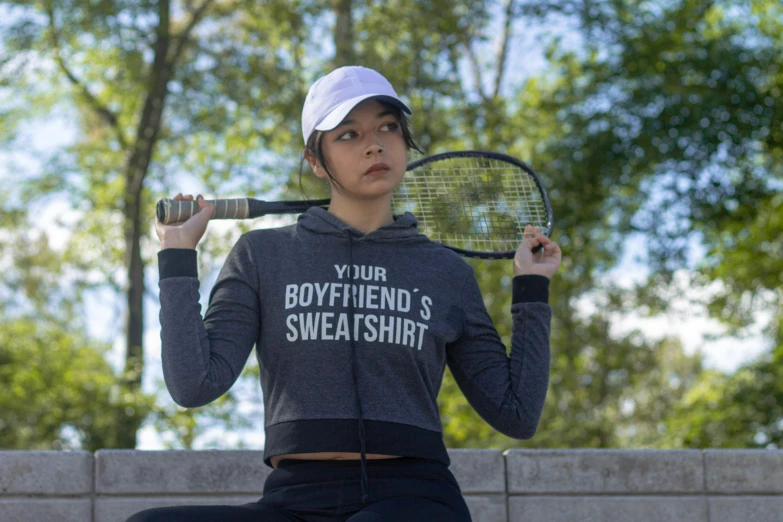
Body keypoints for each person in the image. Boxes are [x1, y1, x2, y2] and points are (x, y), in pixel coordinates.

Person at [127, 65, 562, 522]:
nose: (374, 143)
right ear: (316, 161)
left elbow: (516, 414)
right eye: (348, 135)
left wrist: (532, 289)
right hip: (294, 500)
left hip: (415, 498)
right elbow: (194, 385)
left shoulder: (443, 271)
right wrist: (177, 255)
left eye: (388, 127)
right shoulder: (262, 255)